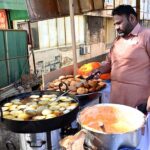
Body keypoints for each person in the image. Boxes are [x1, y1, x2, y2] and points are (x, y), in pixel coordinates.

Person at [93, 4, 150, 108]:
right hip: (116, 100)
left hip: (139, 103)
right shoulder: (117, 41)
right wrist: (99, 70)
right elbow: (109, 63)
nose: (116, 27)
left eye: (119, 23)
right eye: (114, 24)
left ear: (132, 18)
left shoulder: (146, 36)